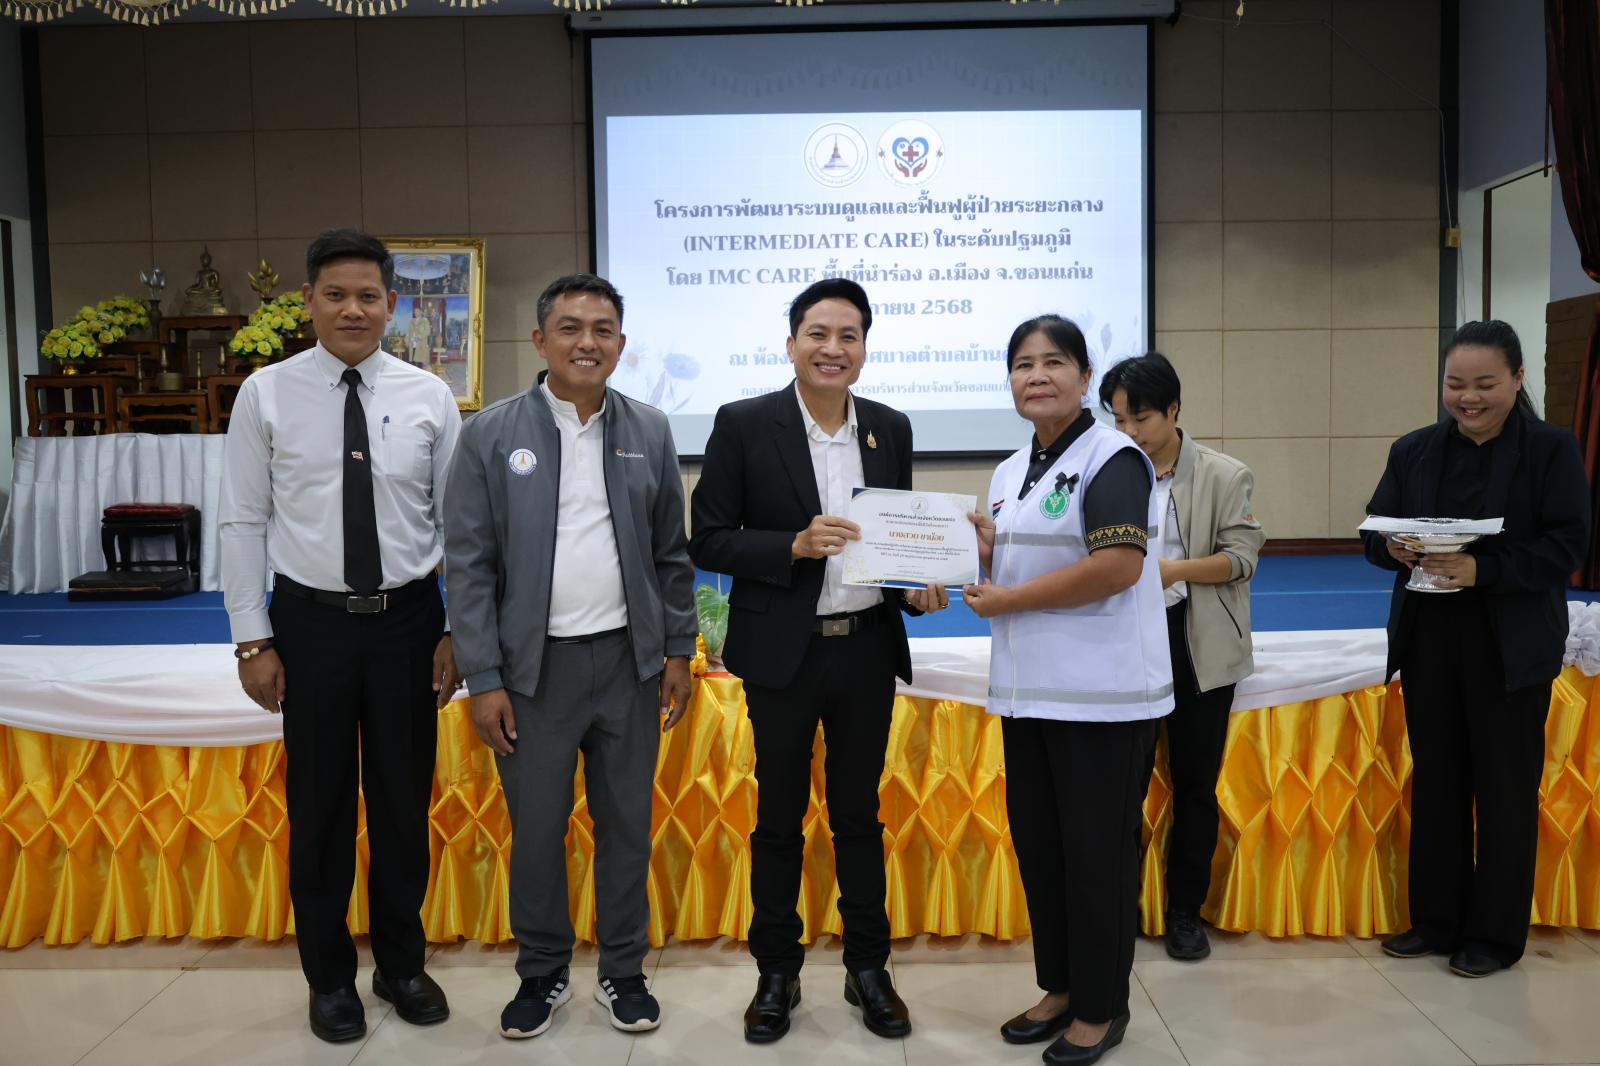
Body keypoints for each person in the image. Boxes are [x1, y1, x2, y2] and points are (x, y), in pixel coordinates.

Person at [220, 228, 462, 1043]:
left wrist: (457, 629)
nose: (352, 309)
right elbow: (242, 519)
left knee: (402, 804)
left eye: (367, 296)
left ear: (392, 304)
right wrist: (252, 640)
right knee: (319, 809)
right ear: (309, 302)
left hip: (409, 626)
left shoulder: (429, 397)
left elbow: (459, 527)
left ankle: (401, 964)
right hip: (311, 626)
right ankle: (328, 979)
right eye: (335, 295)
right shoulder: (266, 394)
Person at [689, 278, 945, 1044]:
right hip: (782, 655)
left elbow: (894, 545)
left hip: (865, 649)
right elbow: (708, 539)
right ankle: (777, 972)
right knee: (777, 819)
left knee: (859, 816)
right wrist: (792, 546)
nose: (833, 349)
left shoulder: (890, 428)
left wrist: (915, 588)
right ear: (792, 343)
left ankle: (870, 969)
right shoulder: (744, 423)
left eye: (849, 336)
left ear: (864, 348)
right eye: (819, 334)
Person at [443, 274, 697, 1038]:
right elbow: (468, 566)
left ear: (621, 343)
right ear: (540, 340)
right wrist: (484, 676)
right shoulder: (490, 434)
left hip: (628, 666)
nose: (588, 342)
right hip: (532, 675)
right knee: (537, 832)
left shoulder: (649, 429)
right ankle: (542, 972)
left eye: (603, 329)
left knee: (627, 827)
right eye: (571, 327)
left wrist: (677, 649)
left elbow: (671, 554)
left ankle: (623, 972)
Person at [964, 315, 1172, 1066]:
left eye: (1054, 362)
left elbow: (1117, 568)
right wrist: (978, 556)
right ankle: (1059, 986)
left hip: (1101, 700)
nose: (1037, 376)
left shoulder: (1113, 458)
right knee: (1043, 851)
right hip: (1029, 696)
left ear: (1085, 378)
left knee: (1096, 857)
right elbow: (1020, 563)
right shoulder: (1009, 471)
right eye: (1023, 364)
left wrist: (1010, 598)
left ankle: (1100, 1007)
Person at [1363, 320, 1589, 977]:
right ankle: (1436, 922)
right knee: (1437, 784)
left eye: (1485, 384)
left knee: (1504, 790)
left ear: (1517, 380)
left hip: (1509, 646)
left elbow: (1567, 545)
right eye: (1455, 384)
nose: (1468, 397)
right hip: (1430, 641)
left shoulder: (1550, 449)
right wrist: (1392, 547)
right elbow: (1373, 530)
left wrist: (1482, 570)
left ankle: (1493, 936)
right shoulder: (1413, 450)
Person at [1099, 353, 1264, 961]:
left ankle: (1185, 913)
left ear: (1173, 410)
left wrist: (1169, 572)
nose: (1129, 432)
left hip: (1196, 642)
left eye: (1140, 418)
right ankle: (1119, 908)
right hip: (1126, 641)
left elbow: (1242, 558)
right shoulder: (1105, 470)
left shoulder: (1224, 474)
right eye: (1118, 419)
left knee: (1195, 786)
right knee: (1122, 787)